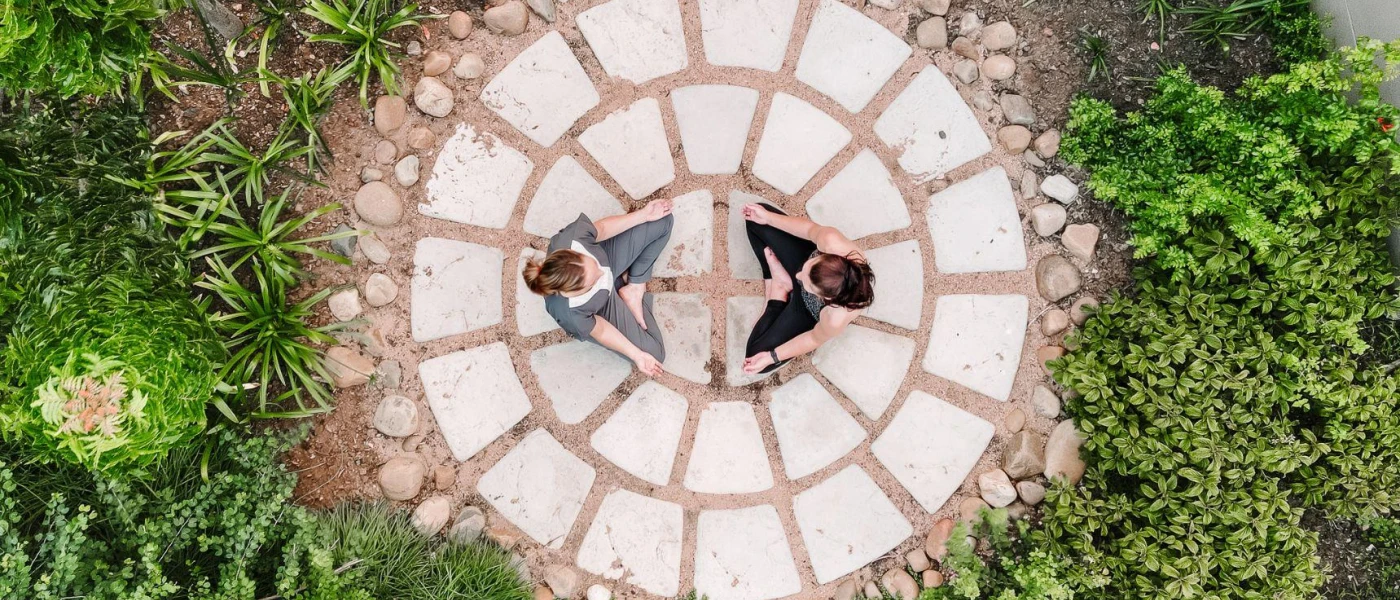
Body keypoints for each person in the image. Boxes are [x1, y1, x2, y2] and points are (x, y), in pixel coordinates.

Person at [522, 201, 674, 376]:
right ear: (575, 291)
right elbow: (600, 330)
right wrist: (637, 355)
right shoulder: (572, 314)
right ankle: (621, 286)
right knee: (655, 354)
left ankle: (634, 288)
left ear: (577, 253)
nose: (602, 273)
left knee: (662, 220)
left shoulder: (573, 237)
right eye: (594, 281)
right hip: (603, 306)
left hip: (609, 257)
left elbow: (602, 229)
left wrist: (643, 215)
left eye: (594, 264)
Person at [740, 203, 875, 375]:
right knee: (755, 218)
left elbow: (812, 338)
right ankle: (778, 278)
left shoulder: (834, 318)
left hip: (805, 309)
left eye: (808, 285)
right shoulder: (831, 240)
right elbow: (809, 230)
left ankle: (777, 295)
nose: (798, 277)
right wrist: (768, 217)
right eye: (811, 265)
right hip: (801, 257)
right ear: (825, 256)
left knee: (756, 357)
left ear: (827, 299)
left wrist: (771, 357)